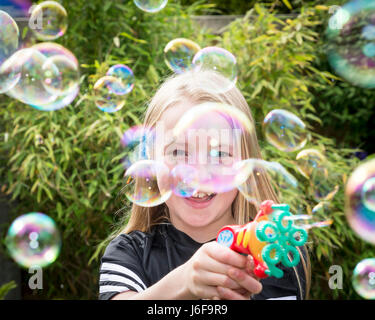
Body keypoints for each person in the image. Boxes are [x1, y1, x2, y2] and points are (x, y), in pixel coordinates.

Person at [98, 70, 311, 300]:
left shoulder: (273, 252)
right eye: (178, 152)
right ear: (151, 161)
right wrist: (184, 284)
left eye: (219, 153)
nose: (197, 173)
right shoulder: (129, 254)